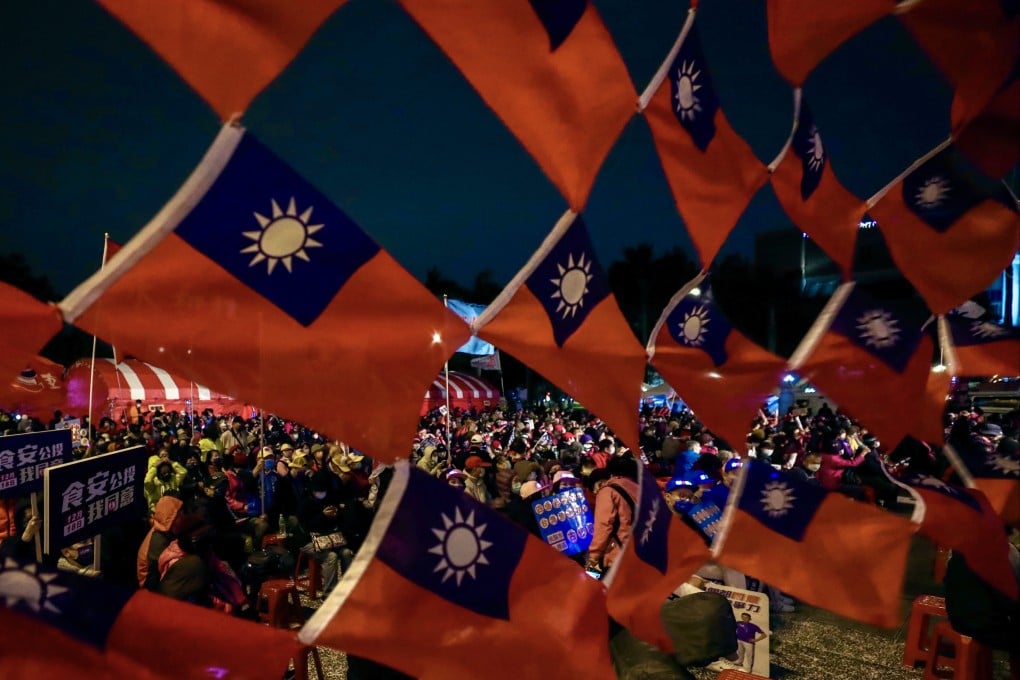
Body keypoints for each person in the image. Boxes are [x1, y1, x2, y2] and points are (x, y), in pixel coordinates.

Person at [586, 457, 639, 573]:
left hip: (619, 556)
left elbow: (604, 525)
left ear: (610, 473)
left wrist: (594, 555)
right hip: (642, 552)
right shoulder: (640, 489)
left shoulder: (608, 491)